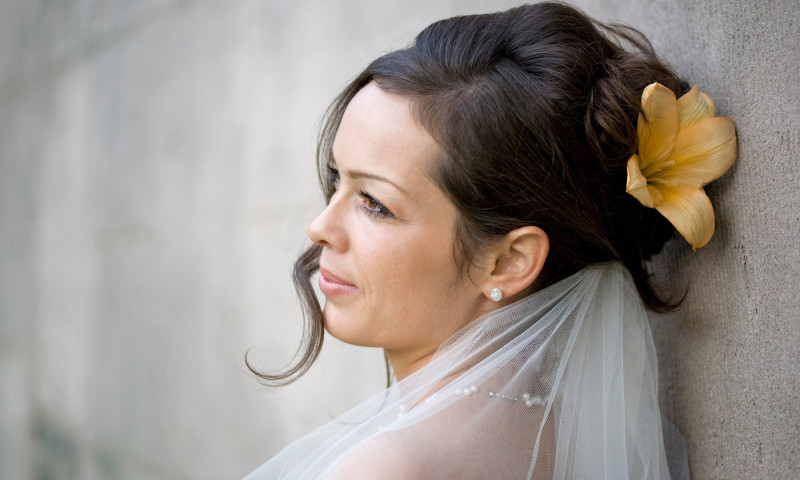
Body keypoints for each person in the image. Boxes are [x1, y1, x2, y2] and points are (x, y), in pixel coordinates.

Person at [245, 2, 737, 478]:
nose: (320, 227)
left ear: (508, 262)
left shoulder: (393, 466)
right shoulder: (560, 438)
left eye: (375, 203)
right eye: (337, 180)